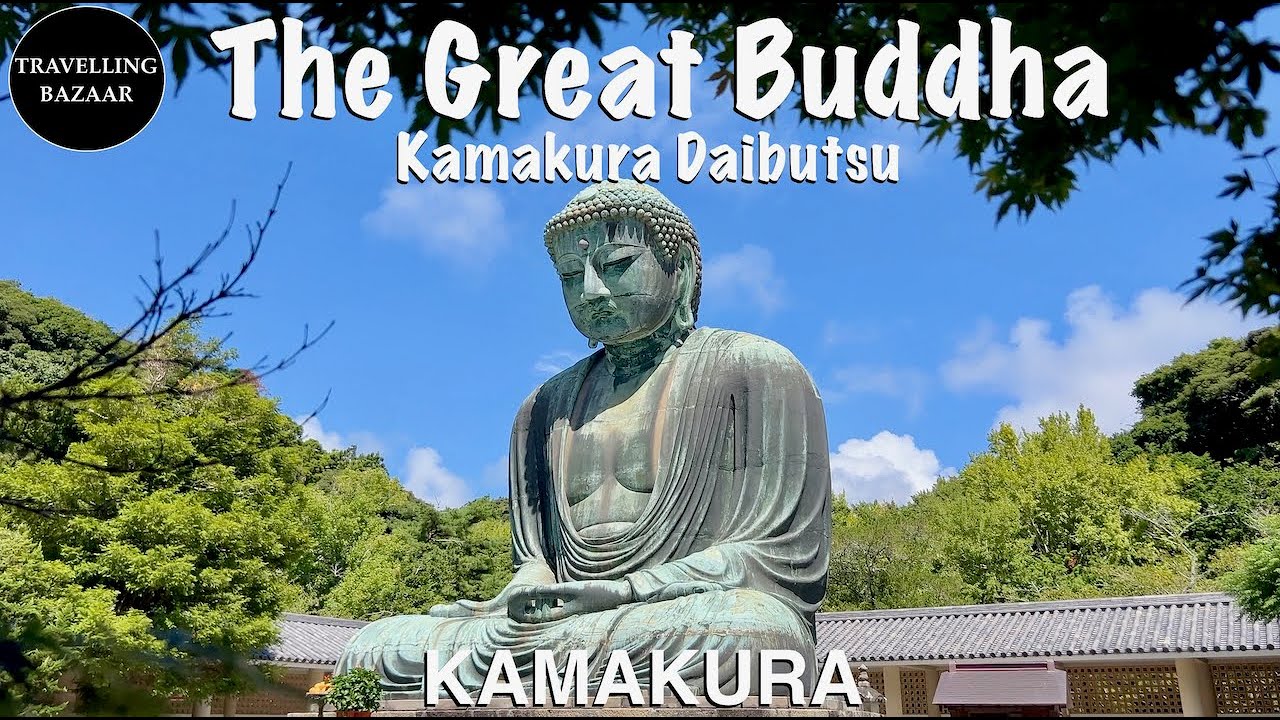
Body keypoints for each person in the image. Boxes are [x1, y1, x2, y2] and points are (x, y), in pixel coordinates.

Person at [336, 181, 831, 700]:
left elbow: (782, 559)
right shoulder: (542, 408)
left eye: (616, 265)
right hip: (559, 624)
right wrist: (529, 584)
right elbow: (537, 557)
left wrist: (626, 590)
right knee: (371, 649)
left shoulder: (756, 371)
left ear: (679, 267)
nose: (592, 292)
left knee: (750, 634)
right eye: (572, 276)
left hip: (680, 610)